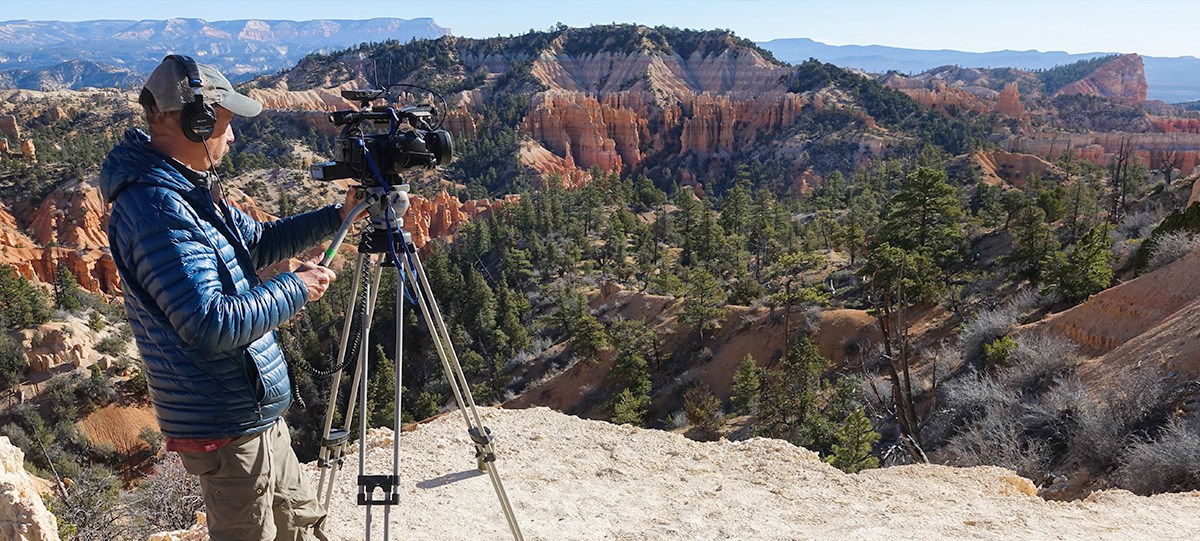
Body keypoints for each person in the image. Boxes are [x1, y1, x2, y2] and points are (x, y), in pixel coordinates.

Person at [100, 55, 358, 540]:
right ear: (197, 122)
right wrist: (293, 288)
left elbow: (257, 242)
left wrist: (336, 215)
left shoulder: (186, 190)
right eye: (226, 124)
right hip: (228, 424)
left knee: (299, 526)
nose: (233, 137)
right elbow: (208, 324)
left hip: (254, 415)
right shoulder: (158, 209)